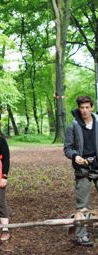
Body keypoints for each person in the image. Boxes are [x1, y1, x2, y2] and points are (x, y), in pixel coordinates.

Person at [64, 95, 98, 246]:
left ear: (92, 107)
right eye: (81, 107)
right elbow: (67, 148)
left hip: (97, 165)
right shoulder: (73, 126)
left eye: (87, 107)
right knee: (82, 204)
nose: (84, 110)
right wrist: (75, 156)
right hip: (82, 169)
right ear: (79, 108)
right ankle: (81, 235)